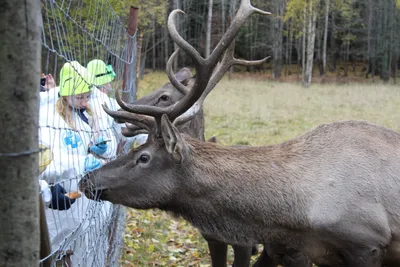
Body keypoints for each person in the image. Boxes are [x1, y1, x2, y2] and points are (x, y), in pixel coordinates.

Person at [39, 60, 118, 266]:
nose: (85, 101)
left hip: (81, 200)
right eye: (80, 97)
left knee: (77, 251)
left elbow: (105, 142)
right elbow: (46, 160)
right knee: (51, 250)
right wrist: (79, 163)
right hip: (57, 201)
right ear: (65, 93)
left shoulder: (85, 113)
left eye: (87, 96)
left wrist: (95, 147)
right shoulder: (49, 118)